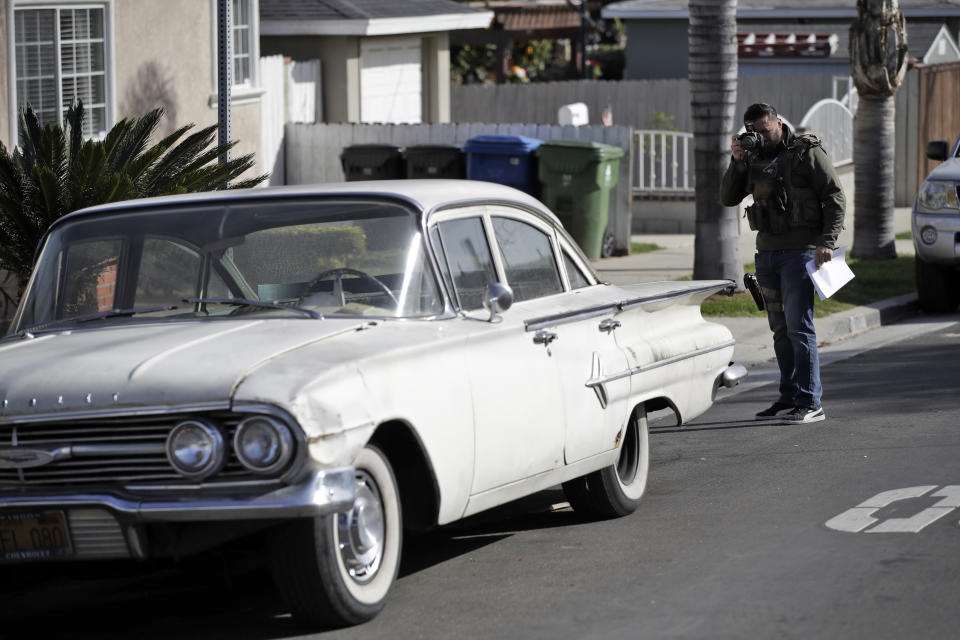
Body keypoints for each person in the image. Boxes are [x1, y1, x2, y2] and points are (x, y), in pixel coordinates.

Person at [721, 103, 845, 424]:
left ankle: (810, 401)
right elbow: (728, 197)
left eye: (765, 130)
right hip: (768, 255)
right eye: (753, 132)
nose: (760, 136)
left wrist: (826, 242)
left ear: (778, 122)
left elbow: (834, 196)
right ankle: (789, 395)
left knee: (799, 329)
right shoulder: (751, 157)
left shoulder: (806, 152)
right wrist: (736, 161)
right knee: (779, 330)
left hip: (801, 254)